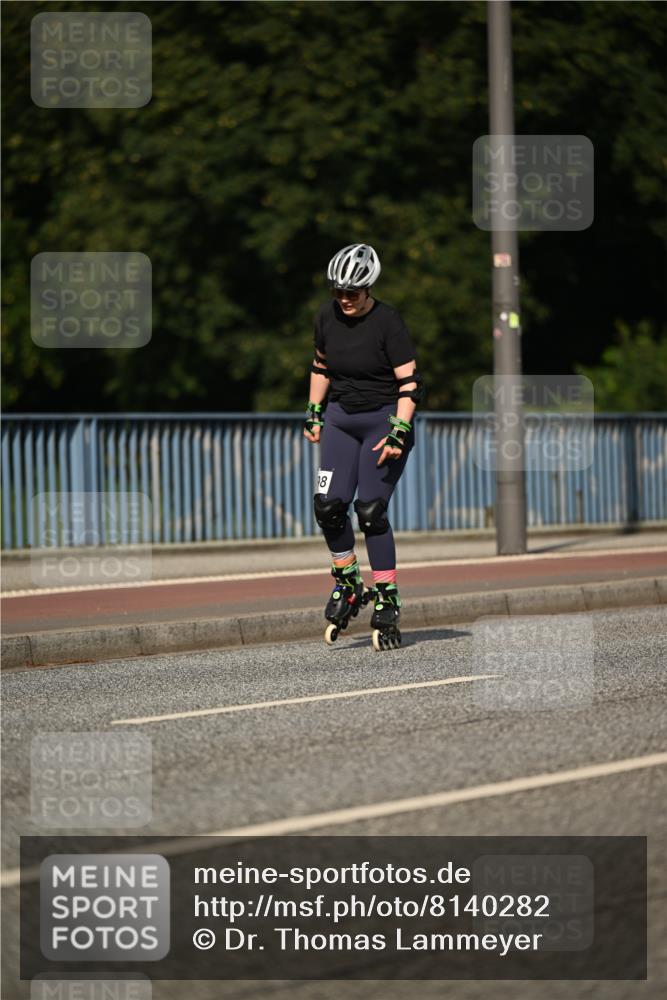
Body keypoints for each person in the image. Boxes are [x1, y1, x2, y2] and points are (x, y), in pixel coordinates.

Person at [303, 243, 423, 650]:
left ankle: (387, 597)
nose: (344, 299)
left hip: (384, 420)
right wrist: (313, 411)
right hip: (340, 419)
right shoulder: (326, 315)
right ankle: (348, 583)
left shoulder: (388, 322)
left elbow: (409, 385)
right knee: (327, 505)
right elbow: (321, 366)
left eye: (352, 293)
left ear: (368, 288)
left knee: (370, 511)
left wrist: (397, 432)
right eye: (338, 291)